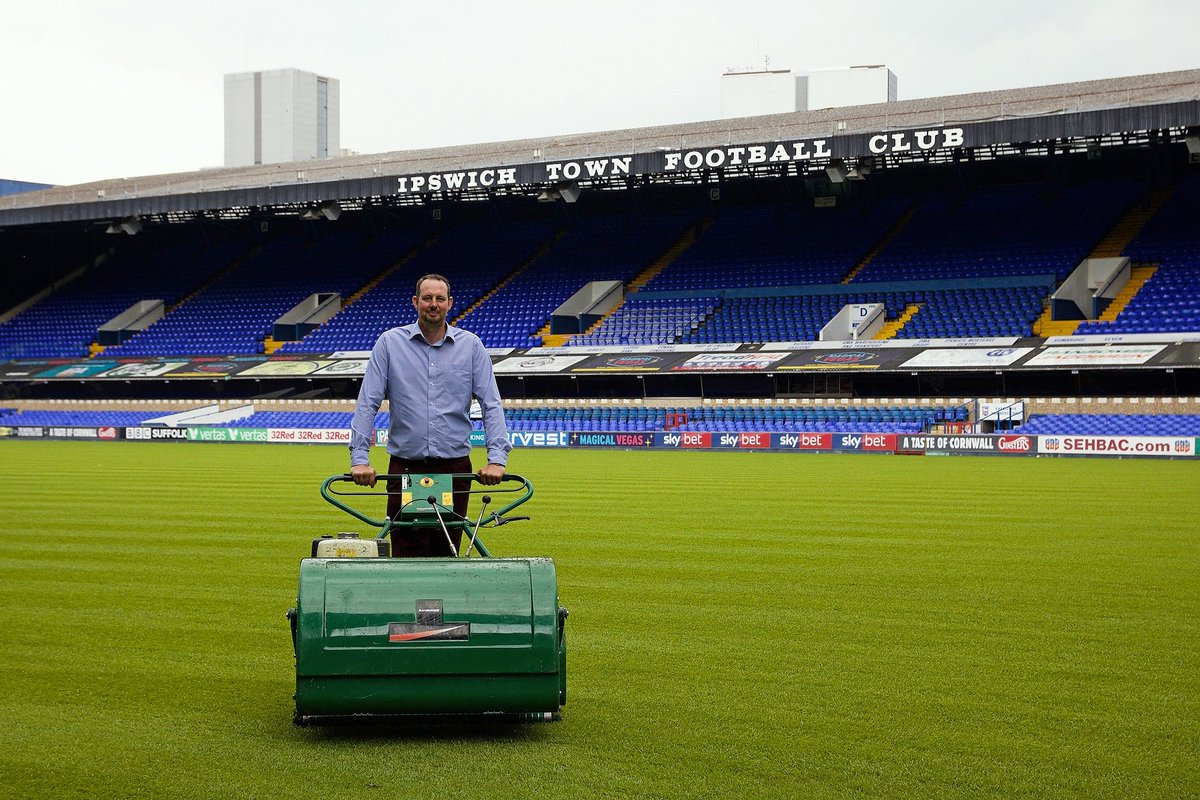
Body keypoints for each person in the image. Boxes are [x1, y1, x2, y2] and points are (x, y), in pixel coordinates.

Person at [348, 273, 511, 557]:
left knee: (447, 551)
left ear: (449, 303)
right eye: (427, 298)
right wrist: (360, 460)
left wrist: (496, 459)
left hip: (455, 469)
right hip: (405, 468)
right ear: (415, 302)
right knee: (404, 552)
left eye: (439, 299)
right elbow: (367, 403)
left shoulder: (471, 346)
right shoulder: (389, 343)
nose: (433, 304)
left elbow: (491, 404)